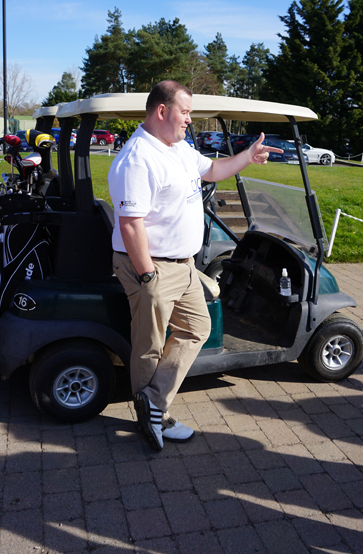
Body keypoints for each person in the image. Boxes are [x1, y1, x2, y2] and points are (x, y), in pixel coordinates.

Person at [108, 80, 281, 451]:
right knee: (149, 345)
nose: (190, 118)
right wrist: (147, 276)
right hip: (151, 266)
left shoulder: (179, 148)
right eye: (185, 111)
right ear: (161, 111)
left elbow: (213, 170)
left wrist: (247, 157)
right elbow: (130, 223)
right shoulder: (137, 159)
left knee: (197, 328)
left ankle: (152, 402)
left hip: (183, 265)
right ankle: (154, 415)